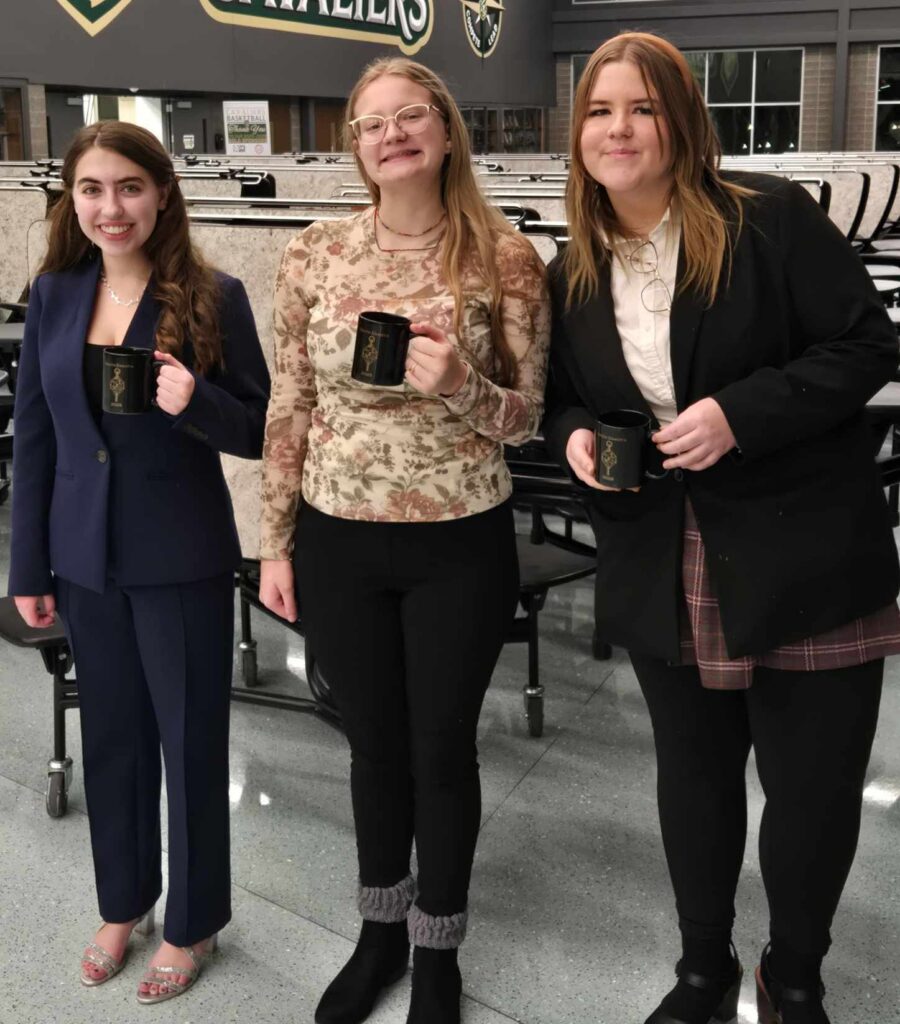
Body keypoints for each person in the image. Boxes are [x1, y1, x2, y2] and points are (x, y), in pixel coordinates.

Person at [542, 31, 900, 1024]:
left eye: (643, 107)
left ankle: (794, 975)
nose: (619, 128)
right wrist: (573, 437)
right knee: (693, 782)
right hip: (661, 553)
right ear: (579, 133)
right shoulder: (572, 266)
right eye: (600, 110)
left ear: (682, 122)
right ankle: (702, 969)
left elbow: (870, 344)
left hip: (803, 547)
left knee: (812, 790)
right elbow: (559, 400)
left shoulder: (767, 219)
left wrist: (746, 412)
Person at [258, 56, 550, 1024]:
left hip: (458, 540)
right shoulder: (314, 251)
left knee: (440, 750)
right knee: (372, 746)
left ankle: (437, 946)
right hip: (340, 538)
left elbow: (527, 420)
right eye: (372, 123)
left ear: (446, 130)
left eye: (411, 116)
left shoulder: (504, 257)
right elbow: (289, 405)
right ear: (356, 146)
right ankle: (380, 929)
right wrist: (276, 542)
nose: (393, 135)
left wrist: (457, 383)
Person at [8, 121, 270, 1004]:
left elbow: (259, 425)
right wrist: (28, 568)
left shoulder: (212, 295)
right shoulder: (53, 292)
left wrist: (196, 401)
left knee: (190, 743)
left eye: (128, 187)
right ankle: (123, 904)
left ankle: (193, 923)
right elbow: (35, 439)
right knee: (110, 740)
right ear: (70, 200)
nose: (109, 207)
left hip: (181, 556)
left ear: (162, 194)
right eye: (91, 189)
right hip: (84, 559)